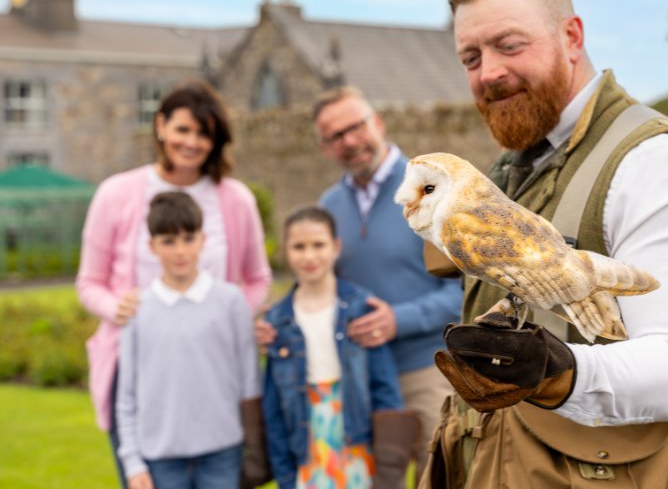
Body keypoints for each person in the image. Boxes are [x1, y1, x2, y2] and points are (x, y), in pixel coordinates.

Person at [422, 0, 668, 488]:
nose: (489, 72)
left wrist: (559, 371)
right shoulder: (509, 171)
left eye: (509, 45)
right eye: (470, 57)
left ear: (572, 37)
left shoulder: (655, 162)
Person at [76, 80, 273, 487]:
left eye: (204, 133)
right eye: (183, 129)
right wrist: (118, 308)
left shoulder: (234, 198)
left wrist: (233, 317)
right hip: (137, 365)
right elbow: (89, 282)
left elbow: (256, 279)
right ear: (161, 126)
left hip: (213, 368)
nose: (192, 142)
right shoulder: (116, 193)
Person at [310, 86, 463, 475]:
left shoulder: (431, 192)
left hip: (429, 370)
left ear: (377, 123)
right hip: (362, 379)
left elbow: (467, 291)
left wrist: (399, 319)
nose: (349, 141)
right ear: (325, 147)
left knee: (446, 477)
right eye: (335, 136)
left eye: (356, 127)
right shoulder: (329, 207)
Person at [117, 191, 265, 489]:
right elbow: (127, 395)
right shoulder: (137, 310)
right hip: (160, 457)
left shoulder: (230, 301)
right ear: (152, 246)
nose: (180, 251)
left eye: (188, 238)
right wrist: (133, 462)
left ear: (202, 240)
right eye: (168, 241)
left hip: (222, 452)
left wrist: (256, 448)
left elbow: (249, 381)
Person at [262, 206, 416, 489]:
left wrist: (389, 467)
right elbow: (273, 408)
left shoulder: (361, 308)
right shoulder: (277, 320)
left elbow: (385, 390)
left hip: (356, 436)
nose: (309, 256)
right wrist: (284, 472)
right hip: (307, 439)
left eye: (318, 245)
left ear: (335, 247)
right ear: (286, 250)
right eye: (299, 247)